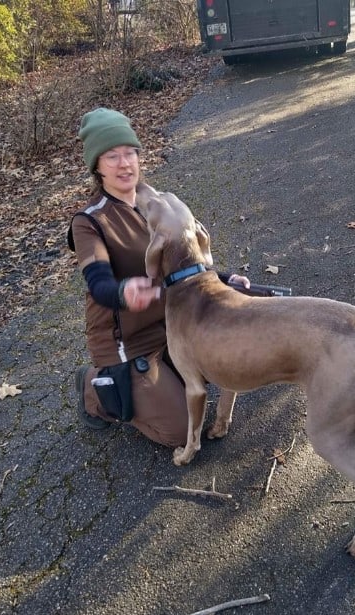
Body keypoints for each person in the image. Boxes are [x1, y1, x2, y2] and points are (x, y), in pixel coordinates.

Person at [69, 107, 249, 448]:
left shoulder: (156, 201)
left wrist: (225, 278)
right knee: (181, 432)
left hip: (173, 325)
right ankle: (94, 387)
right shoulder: (89, 221)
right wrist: (124, 292)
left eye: (130, 153)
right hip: (126, 341)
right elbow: (99, 283)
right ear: (97, 166)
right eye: (112, 156)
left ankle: (161, 375)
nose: (124, 164)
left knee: (218, 370)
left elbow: (187, 261)